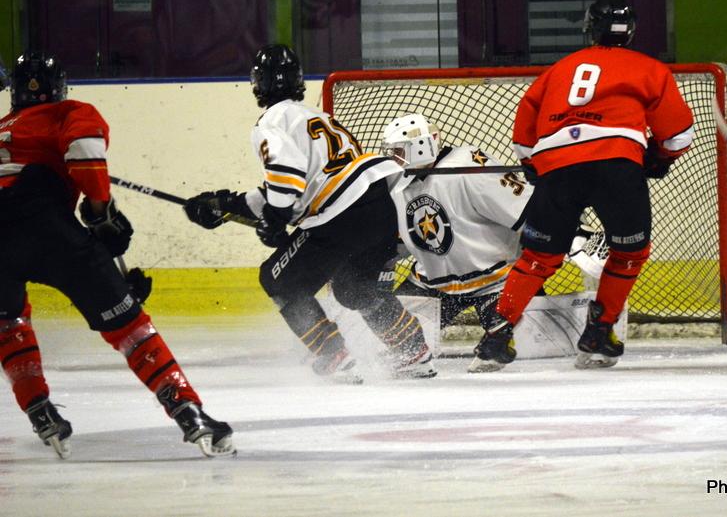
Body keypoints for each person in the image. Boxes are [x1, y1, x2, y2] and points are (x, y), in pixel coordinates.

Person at [0, 51, 233, 458]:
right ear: (59, 88)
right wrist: (100, 213)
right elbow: (85, 151)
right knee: (130, 328)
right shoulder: (69, 111)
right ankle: (189, 413)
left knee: (9, 321)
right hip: (42, 222)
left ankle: (39, 411)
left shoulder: (4, 128)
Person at [183, 44, 436, 381]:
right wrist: (225, 205)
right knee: (353, 288)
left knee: (278, 279)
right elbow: (304, 185)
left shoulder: (271, 121)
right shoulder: (319, 118)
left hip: (342, 214)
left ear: (258, 82)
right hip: (380, 205)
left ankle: (334, 355)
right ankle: (413, 351)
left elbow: (287, 175)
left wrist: (276, 216)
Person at [471, 0, 695, 372]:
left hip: (558, 167)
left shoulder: (559, 69)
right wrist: (657, 158)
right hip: (617, 166)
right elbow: (678, 137)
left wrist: (535, 165)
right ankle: (598, 333)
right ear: (631, 32)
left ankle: (495, 336)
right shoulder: (650, 68)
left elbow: (525, 133)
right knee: (629, 252)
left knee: (538, 257)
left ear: (590, 29)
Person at [378, 114, 531, 364]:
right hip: (433, 283)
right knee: (395, 344)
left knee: (507, 349)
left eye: (399, 151)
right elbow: (401, 239)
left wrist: (569, 236)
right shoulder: (398, 182)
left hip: (497, 280)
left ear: (420, 146)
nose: (394, 158)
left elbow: (525, 209)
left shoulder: (467, 165)